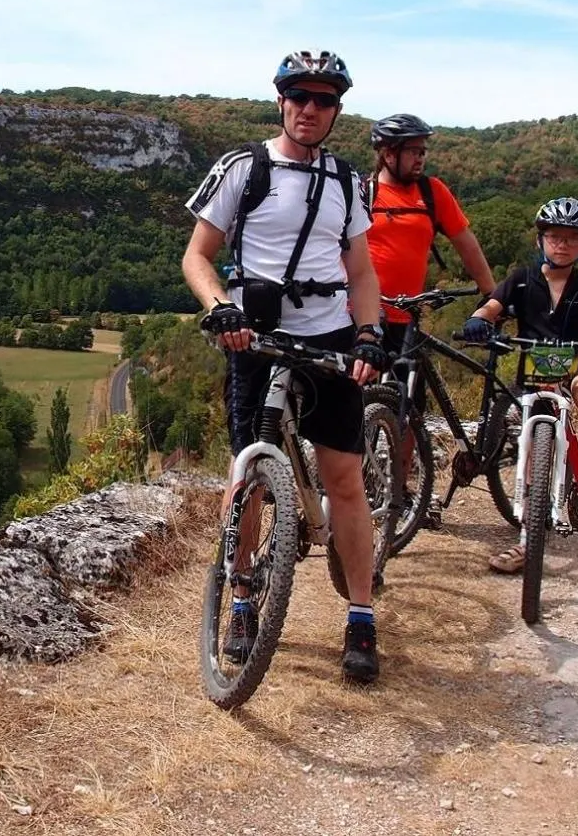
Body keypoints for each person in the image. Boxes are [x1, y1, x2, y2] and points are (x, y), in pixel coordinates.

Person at [182, 49, 388, 684]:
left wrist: (369, 335)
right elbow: (198, 257)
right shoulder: (243, 168)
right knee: (247, 475)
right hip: (255, 337)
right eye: (299, 96)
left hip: (327, 337)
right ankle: (242, 598)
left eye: (324, 99)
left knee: (344, 480)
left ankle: (361, 615)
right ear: (281, 100)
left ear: (337, 110)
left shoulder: (348, 183)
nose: (309, 108)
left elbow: (360, 269)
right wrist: (221, 309)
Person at [457, 196, 578, 574]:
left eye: (571, 238)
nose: (561, 244)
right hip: (534, 371)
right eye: (554, 237)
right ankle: (527, 542)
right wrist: (477, 320)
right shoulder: (520, 279)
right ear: (540, 241)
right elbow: (492, 306)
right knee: (530, 449)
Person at [364, 114, 497, 527]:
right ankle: (359, 489)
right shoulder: (363, 191)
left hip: (409, 318)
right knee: (360, 403)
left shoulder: (432, 192)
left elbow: (466, 243)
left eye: (424, 150)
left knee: (409, 409)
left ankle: (402, 496)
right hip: (363, 317)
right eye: (413, 151)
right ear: (388, 154)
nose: (421, 158)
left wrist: (493, 296)